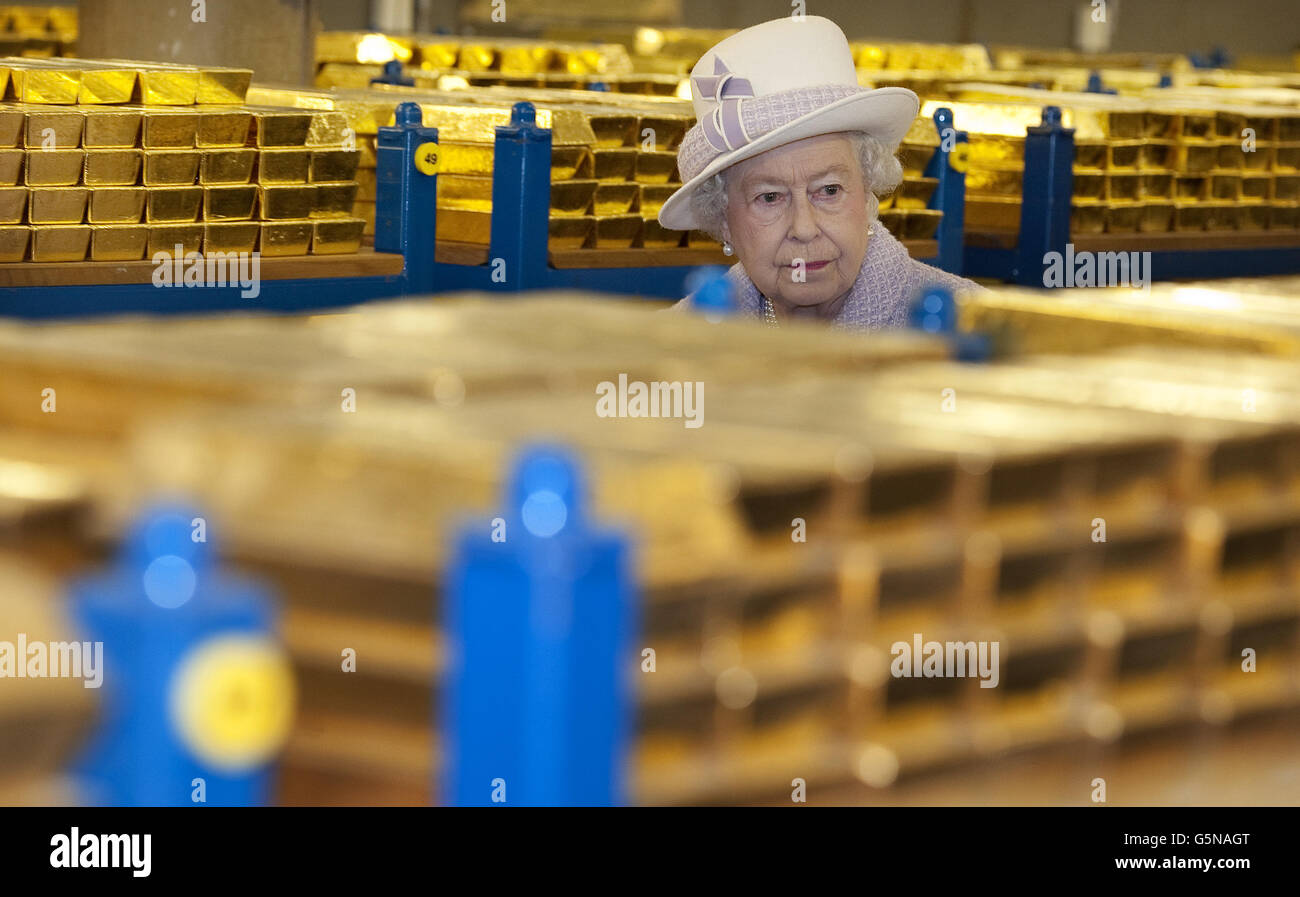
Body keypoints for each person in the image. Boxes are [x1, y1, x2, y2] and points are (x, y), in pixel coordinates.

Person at [658, 15, 984, 328]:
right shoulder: (679, 337)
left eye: (829, 190)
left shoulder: (975, 327)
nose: (804, 228)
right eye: (769, 197)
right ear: (724, 222)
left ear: (867, 191)